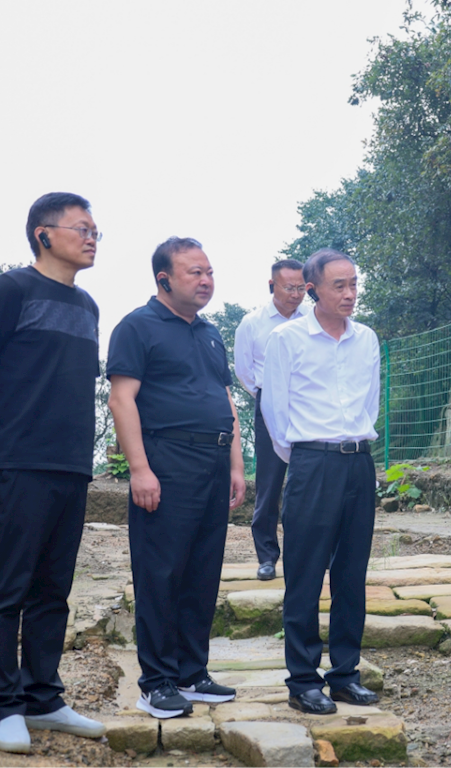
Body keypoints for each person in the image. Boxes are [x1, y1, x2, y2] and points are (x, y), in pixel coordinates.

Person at [107, 237, 246, 719]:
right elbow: (121, 400)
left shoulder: (210, 333)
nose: (206, 281)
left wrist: (236, 464)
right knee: (161, 571)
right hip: (167, 460)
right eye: (195, 273)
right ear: (164, 279)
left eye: (209, 272)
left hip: (213, 460)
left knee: (202, 570)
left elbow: (225, 399)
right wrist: (140, 469)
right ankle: (157, 681)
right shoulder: (137, 327)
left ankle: (192, 671)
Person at [0, 193, 106, 754]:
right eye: (81, 228)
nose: (92, 238)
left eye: (96, 231)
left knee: (53, 589)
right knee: (7, 587)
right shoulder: (12, 289)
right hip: (17, 460)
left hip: (71, 464)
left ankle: (43, 697)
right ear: (43, 234)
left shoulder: (88, 306)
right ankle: (4, 704)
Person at [261, 248, 381, 715]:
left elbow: (370, 403)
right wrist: (308, 458)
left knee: (351, 574)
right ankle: (303, 680)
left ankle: (345, 674)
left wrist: (349, 447)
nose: (350, 293)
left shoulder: (366, 338)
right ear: (312, 289)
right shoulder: (287, 339)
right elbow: (275, 412)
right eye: (339, 285)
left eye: (354, 284)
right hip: (312, 463)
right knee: (305, 575)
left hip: (359, 462)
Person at [234, 259, 308, 581]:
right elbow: (244, 372)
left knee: (309, 481)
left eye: (301, 288)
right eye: (289, 287)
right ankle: (266, 556)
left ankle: (304, 554)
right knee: (270, 482)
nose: (295, 294)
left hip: (308, 404)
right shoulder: (252, 323)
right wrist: (270, 397)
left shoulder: (313, 320)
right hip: (269, 405)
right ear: (271, 286)